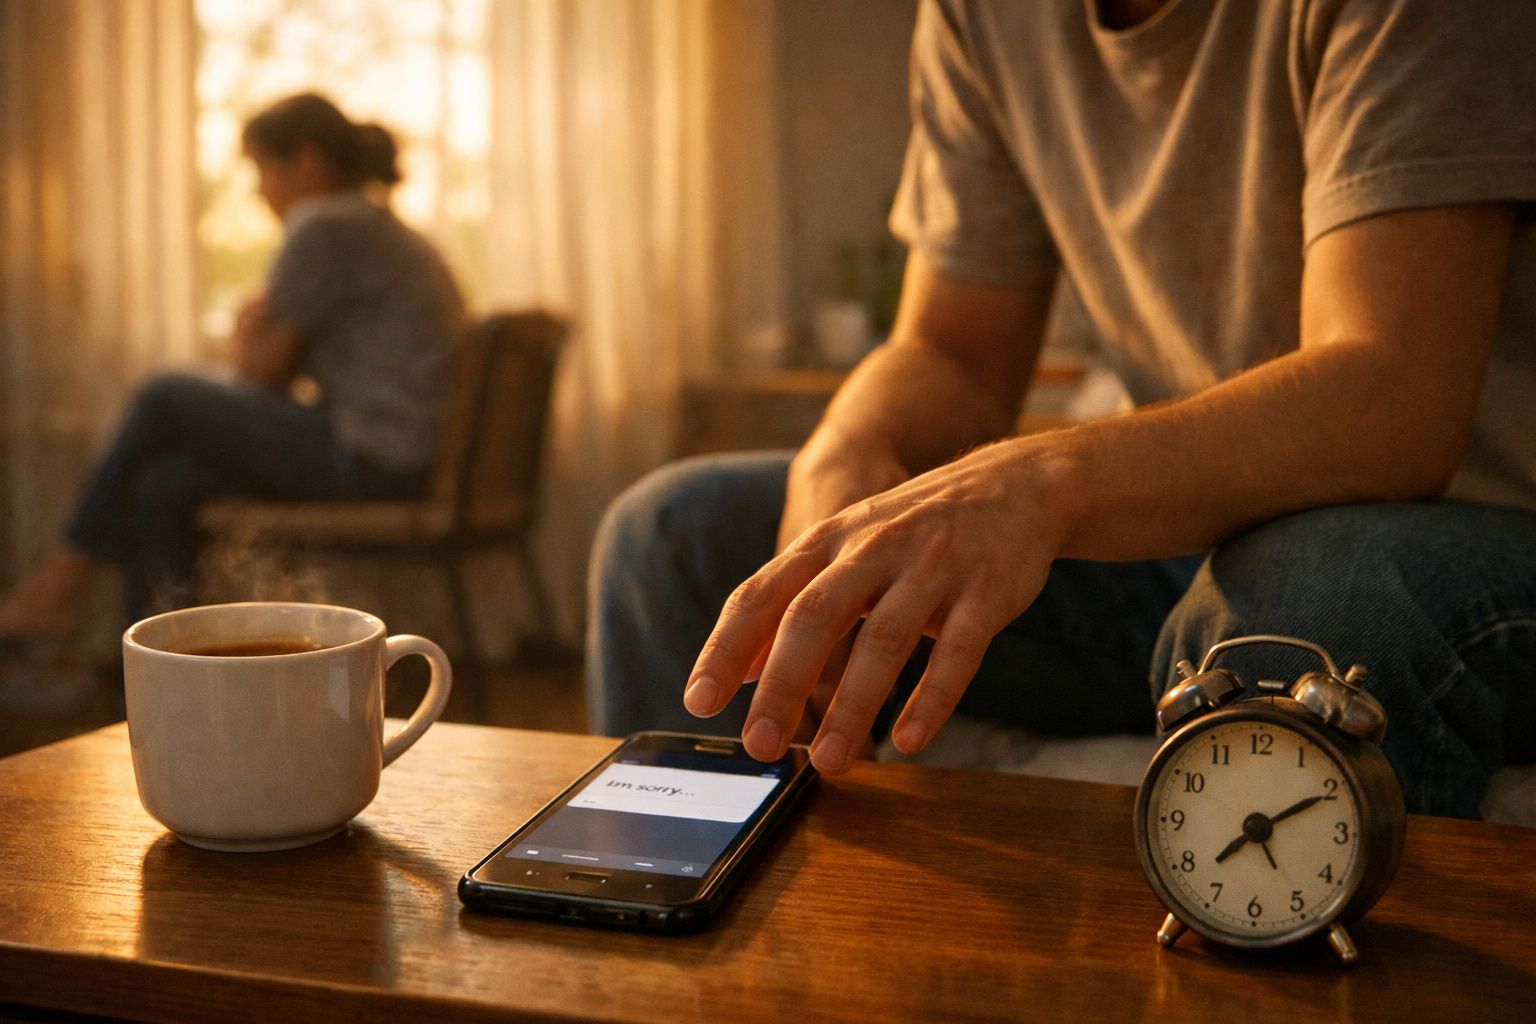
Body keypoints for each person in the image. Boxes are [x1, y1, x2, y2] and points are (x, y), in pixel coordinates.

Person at [588, 0, 1536, 820]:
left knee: (1312, 599)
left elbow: (1394, 398)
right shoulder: (984, 17)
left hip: (1475, 534)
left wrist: (1041, 478)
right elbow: (954, 349)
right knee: (678, 538)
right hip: (1199, 548)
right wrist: (842, 457)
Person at [0, 93, 464, 634]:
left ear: (308, 160)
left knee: (165, 395)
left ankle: (60, 582)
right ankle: (167, 669)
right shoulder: (378, 226)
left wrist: (248, 335)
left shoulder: (325, 225)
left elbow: (263, 378)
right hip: (400, 459)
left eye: (262, 169)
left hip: (374, 462)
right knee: (164, 483)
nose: (259, 189)